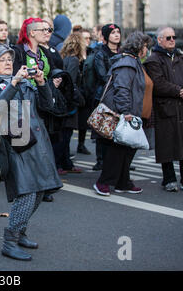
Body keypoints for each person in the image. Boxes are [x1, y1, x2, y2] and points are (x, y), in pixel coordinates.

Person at [0, 44, 63, 261]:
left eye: (9, 59)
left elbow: (47, 106)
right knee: (27, 192)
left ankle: (21, 231)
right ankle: (10, 241)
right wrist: (13, 84)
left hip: (38, 142)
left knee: (42, 189)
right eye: (2, 60)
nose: (8, 63)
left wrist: (43, 84)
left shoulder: (26, 82)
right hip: (14, 145)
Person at [13, 17, 65, 203]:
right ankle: (28, 185)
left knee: (44, 143)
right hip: (24, 103)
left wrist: (52, 81)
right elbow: (13, 78)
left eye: (49, 29)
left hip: (42, 101)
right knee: (28, 144)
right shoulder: (18, 52)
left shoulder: (45, 52)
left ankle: (44, 185)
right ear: (31, 32)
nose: (48, 33)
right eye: (43, 29)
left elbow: (51, 72)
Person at [93, 31, 151, 196]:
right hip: (122, 113)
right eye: (145, 46)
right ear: (139, 47)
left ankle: (123, 182)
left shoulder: (133, 62)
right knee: (117, 150)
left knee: (126, 148)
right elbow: (122, 88)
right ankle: (103, 182)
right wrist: (126, 111)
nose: (146, 50)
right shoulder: (127, 63)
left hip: (129, 111)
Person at [144, 27, 183, 192]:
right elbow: (158, 83)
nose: (172, 40)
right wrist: (179, 91)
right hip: (166, 108)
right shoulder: (153, 60)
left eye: (174, 37)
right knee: (167, 145)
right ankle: (169, 179)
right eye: (168, 37)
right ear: (160, 40)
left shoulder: (182, 58)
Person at [92, 23, 121, 171]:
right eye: (113, 32)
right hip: (104, 95)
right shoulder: (100, 54)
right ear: (106, 36)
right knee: (102, 130)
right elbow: (103, 76)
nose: (116, 35)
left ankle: (117, 160)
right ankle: (101, 160)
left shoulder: (123, 53)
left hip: (120, 95)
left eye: (118, 32)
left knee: (118, 129)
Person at [55, 32, 86, 173]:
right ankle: (60, 164)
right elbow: (71, 83)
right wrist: (79, 99)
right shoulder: (73, 60)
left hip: (63, 102)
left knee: (64, 135)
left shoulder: (64, 58)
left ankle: (66, 162)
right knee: (65, 136)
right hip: (68, 104)